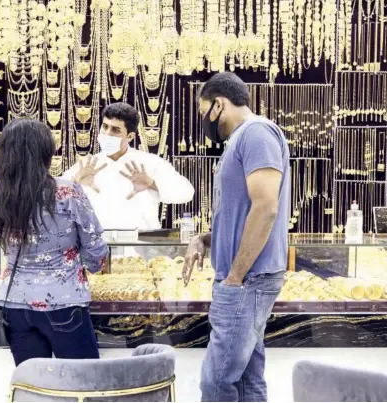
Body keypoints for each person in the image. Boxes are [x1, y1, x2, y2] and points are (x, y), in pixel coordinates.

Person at [182, 72, 291, 402]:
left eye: (204, 111)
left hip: (248, 280)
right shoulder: (243, 139)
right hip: (245, 280)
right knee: (245, 378)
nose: (204, 120)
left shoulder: (256, 134)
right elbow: (244, 213)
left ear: (219, 104)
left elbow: (266, 207)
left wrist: (235, 276)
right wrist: (206, 238)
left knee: (216, 382)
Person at [0, 119, 108, 366]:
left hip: (15, 303)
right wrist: (89, 266)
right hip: (64, 302)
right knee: (81, 379)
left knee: (35, 383)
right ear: (45, 153)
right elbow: (96, 249)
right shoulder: (67, 191)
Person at [62, 102, 194, 230]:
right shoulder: (87, 165)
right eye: (105, 127)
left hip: (140, 246)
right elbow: (52, 198)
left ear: (130, 136)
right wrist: (75, 182)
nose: (107, 134)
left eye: (115, 130)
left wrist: (151, 184)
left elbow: (187, 193)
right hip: (98, 245)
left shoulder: (151, 163)